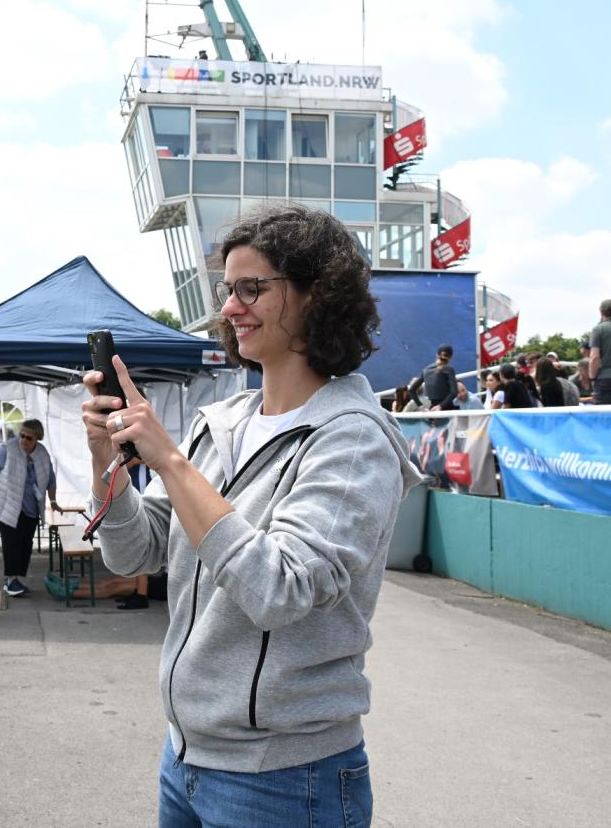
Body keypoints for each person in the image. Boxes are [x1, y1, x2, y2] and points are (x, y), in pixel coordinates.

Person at [83, 203, 419, 827]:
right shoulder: (221, 424)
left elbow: (279, 589)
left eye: (251, 289)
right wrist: (109, 459)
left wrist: (170, 461)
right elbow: (134, 553)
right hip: (185, 756)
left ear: (317, 294)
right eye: (227, 289)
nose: (229, 308)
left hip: (288, 778)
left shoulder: (353, 438)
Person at [0, 418, 61, 597]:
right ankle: (11, 581)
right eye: (21, 435)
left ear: (37, 438)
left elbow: (50, 479)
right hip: (7, 504)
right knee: (12, 542)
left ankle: (13, 579)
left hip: (31, 507)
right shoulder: (7, 449)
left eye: (29, 438)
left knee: (25, 544)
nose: (23, 440)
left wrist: (53, 501)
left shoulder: (42, 453)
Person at [420, 344, 458, 410]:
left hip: (432, 409)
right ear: (451, 357)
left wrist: (420, 406)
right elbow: (454, 392)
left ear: (436, 355)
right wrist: (440, 406)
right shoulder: (449, 369)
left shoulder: (426, 370)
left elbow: (412, 389)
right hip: (447, 409)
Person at [591, 299, 611, 405]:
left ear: (601, 312)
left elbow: (594, 357)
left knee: (604, 412)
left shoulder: (598, 329)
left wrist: (592, 378)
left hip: (605, 379)